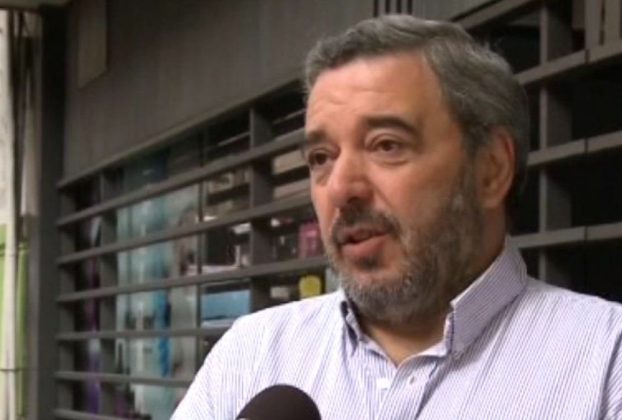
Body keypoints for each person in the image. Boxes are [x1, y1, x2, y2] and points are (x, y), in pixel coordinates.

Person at [173, 15, 622, 419]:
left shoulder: (605, 365)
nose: (341, 188)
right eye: (321, 157)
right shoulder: (250, 357)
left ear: (490, 169)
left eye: (386, 145)